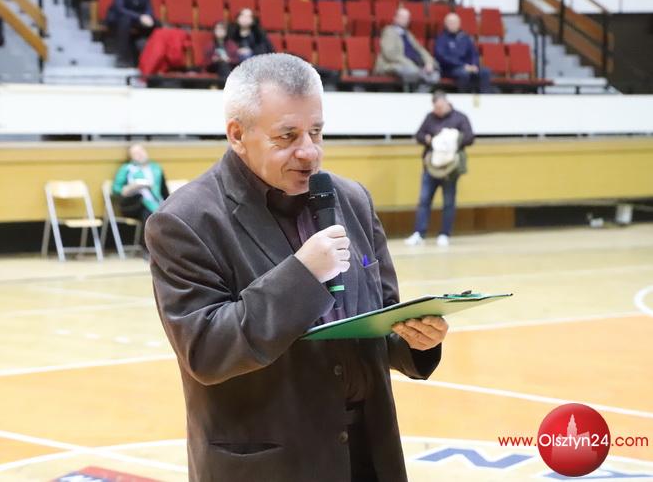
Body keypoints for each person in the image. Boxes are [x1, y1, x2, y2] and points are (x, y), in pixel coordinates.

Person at [146, 53, 448, 482]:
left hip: (368, 452)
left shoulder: (353, 200)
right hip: (270, 465)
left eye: (316, 132)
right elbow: (207, 351)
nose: (309, 152)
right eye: (287, 136)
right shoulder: (185, 221)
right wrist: (302, 275)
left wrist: (416, 341)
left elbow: (381, 320)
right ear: (237, 134)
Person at [405, 91, 474, 247]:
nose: (438, 110)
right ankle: (419, 233)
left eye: (440, 107)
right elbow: (419, 135)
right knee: (424, 200)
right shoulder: (430, 117)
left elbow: (470, 137)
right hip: (430, 167)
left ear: (446, 103)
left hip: (450, 169)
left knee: (448, 201)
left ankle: (444, 234)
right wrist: (428, 139)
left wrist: (452, 139)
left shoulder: (460, 118)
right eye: (436, 108)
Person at [374, 7, 440, 88]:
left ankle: (420, 92)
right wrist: (409, 63)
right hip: (391, 64)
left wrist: (428, 62)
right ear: (395, 18)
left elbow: (420, 49)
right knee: (412, 71)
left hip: (415, 63)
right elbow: (390, 54)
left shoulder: (408, 34)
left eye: (406, 18)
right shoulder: (389, 31)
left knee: (434, 74)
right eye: (402, 17)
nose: (405, 20)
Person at [434, 13, 492, 93]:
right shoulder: (441, 39)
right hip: (450, 69)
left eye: (455, 22)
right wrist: (463, 66)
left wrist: (474, 65)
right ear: (446, 24)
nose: (453, 25)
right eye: (450, 22)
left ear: (459, 24)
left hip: (468, 67)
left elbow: (474, 53)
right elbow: (442, 57)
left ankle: (484, 97)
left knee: (485, 72)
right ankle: (464, 96)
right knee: (463, 74)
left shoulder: (465, 37)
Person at [112, 143, 169, 225]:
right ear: (131, 157)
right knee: (149, 214)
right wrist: (133, 187)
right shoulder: (127, 169)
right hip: (135, 204)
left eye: (141, 151)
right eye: (135, 153)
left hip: (157, 202)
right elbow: (116, 189)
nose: (140, 154)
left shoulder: (156, 168)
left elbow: (164, 191)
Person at [106, 0, 157, 67]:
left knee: (155, 22)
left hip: (137, 18)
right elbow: (120, 9)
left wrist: (148, 16)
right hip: (119, 18)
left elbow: (149, 7)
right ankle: (122, 58)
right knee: (125, 21)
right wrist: (139, 17)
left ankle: (151, 56)